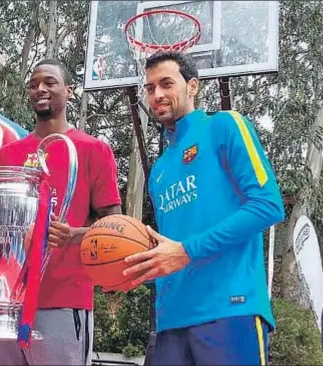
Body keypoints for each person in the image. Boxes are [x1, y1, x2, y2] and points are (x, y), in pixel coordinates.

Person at [0, 58, 123, 365]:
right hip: (2, 303)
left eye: (49, 82)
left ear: (69, 91)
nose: (40, 89)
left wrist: (73, 235)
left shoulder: (93, 149)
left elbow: (115, 227)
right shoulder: (8, 154)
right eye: (33, 85)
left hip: (62, 300)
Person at [121, 51, 285, 365]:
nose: (157, 94)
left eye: (166, 83)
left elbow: (268, 205)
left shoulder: (225, 126)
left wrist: (187, 251)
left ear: (192, 86)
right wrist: (132, 268)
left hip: (230, 310)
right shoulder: (160, 171)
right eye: (150, 87)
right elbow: (169, 249)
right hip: (171, 323)